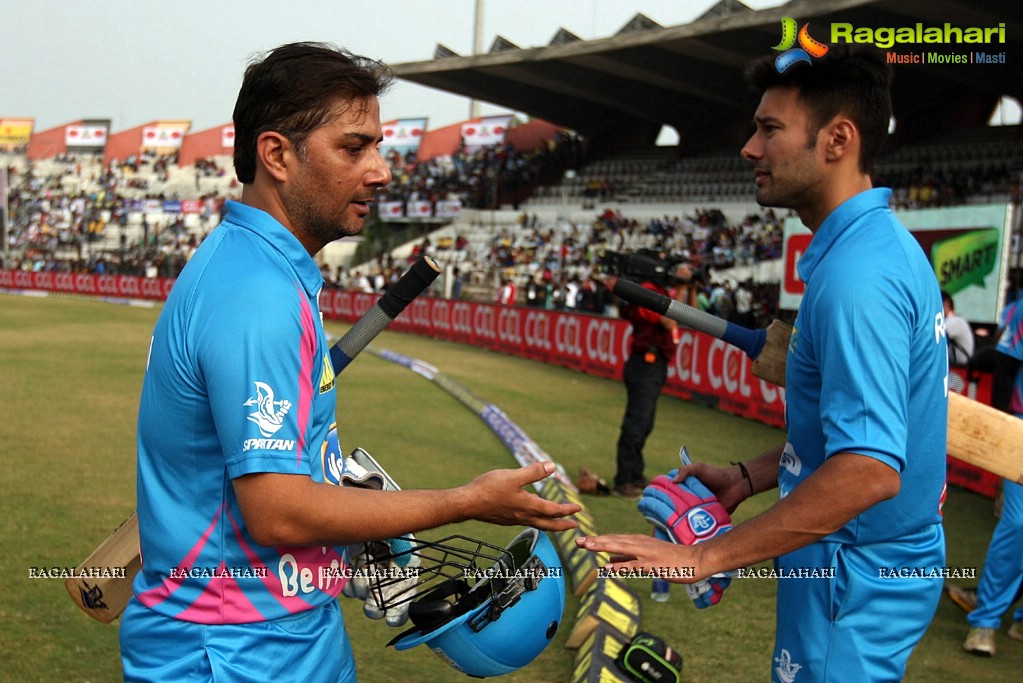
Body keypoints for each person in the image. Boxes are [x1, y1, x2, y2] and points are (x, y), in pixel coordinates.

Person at [119, 42, 580, 683]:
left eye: (379, 147)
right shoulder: (254, 294)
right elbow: (278, 511)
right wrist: (463, 501)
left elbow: (286, 471)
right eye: (354, 147)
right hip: (233, 650)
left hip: (283, 631)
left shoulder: (269, 272)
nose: (382, 170)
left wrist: (350, 510)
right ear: (276, 154)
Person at [578, 48, 948, 682]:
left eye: (770, 129)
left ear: (838, 140)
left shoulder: (860, 276)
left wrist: (708, 558)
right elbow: (854, 433)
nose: (750, 148)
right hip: (859, 560)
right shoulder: (874, 247)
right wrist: (750, 476)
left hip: (853, 571)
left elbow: (868, 470)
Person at [958, 295, 1023, 656]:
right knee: (1018, 525)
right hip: (1021, 426)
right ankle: (985, 622)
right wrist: (1001, 440)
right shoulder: (1022, 309)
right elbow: (1004, 368)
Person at [611, 262, 692, 499]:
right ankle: (624, 478)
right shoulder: (647, 292)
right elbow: (669, 320)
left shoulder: (659, 292)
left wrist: (685, 287)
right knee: (636, 422)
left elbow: (687, 314)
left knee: (645, 423)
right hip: (645, 363)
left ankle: (635, 474)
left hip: (654, 364)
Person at [943, 289, 975, 367]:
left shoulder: (955, 321)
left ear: (946, 304)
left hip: (959, 368)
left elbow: (933, 337)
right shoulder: (955, 320)